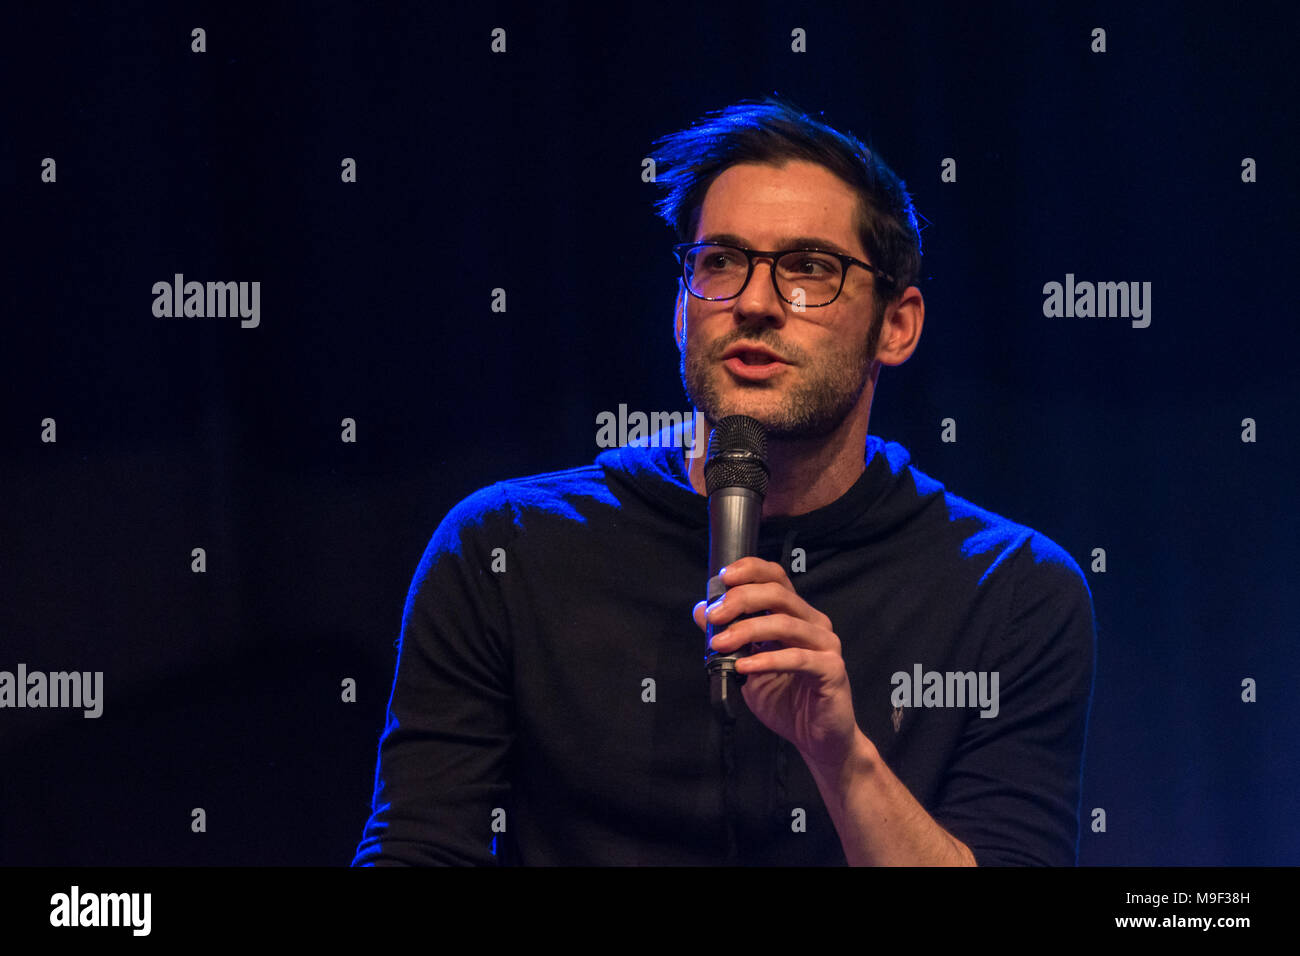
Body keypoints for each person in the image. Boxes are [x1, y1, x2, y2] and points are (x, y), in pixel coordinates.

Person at [352, 96, 1096, 866]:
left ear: (897, 325)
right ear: (682, 310)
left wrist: (840, 755)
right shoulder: (505, 548)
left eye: (810, 269)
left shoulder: (1012, 590)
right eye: (721, 263)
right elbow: (417, 849)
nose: (754, 303)